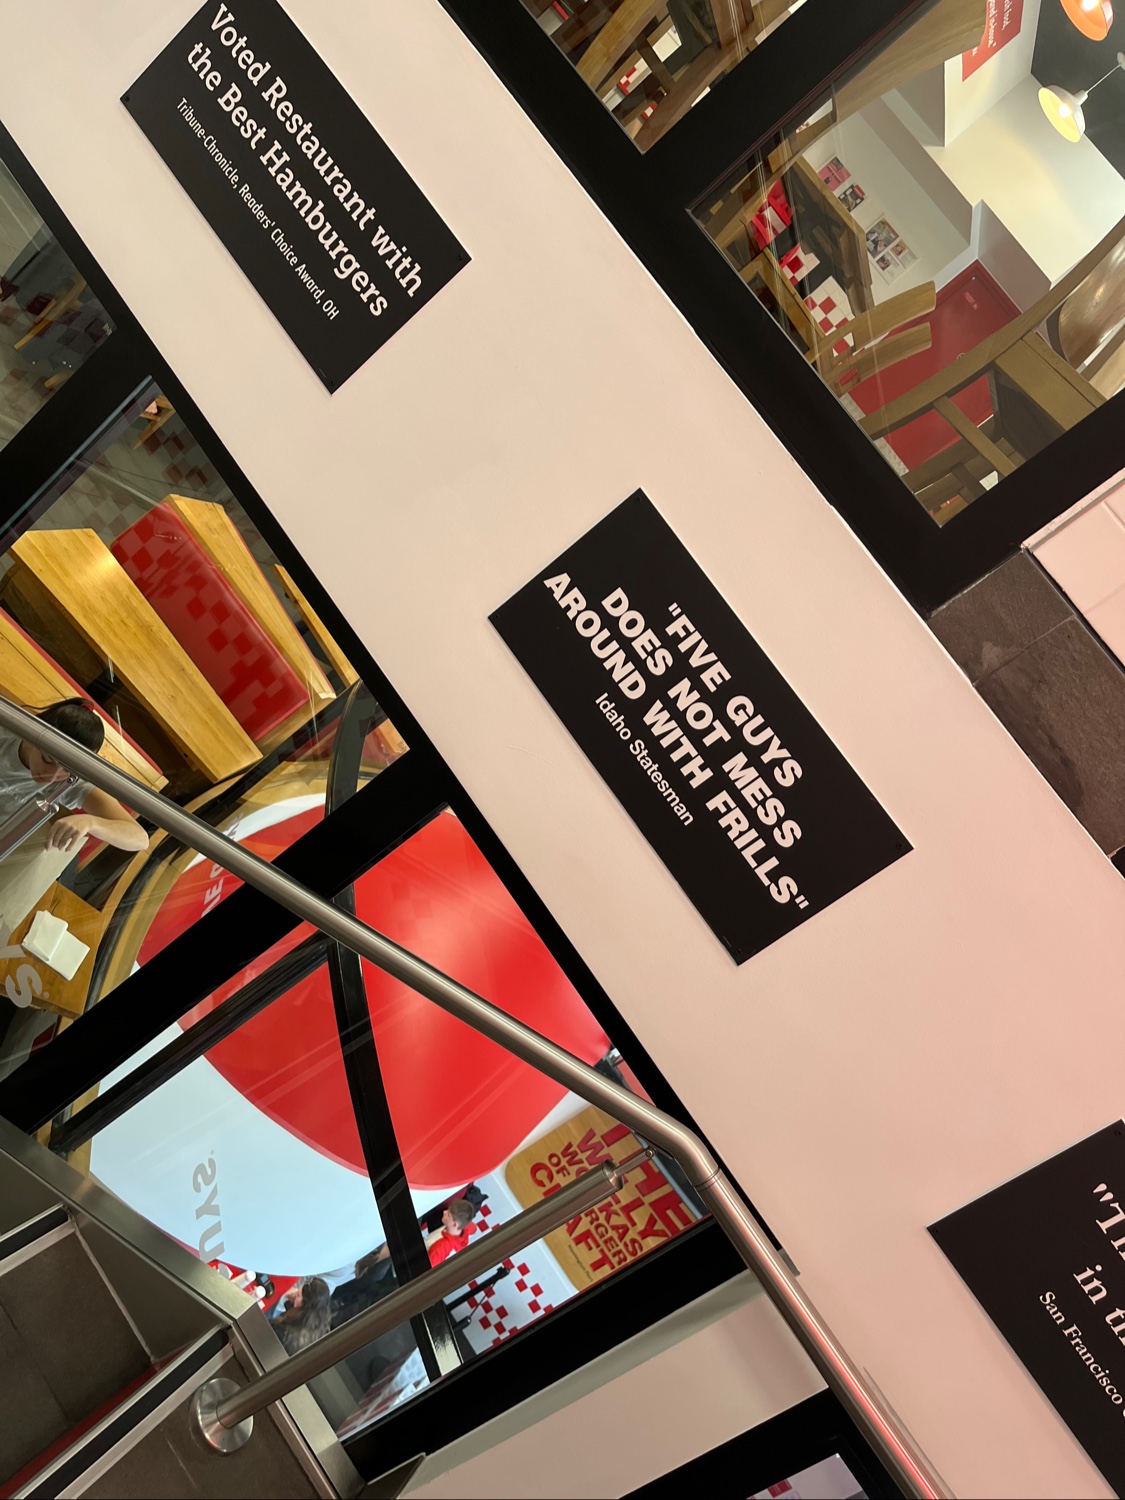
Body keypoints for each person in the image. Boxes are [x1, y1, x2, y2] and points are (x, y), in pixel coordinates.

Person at [0, 699, 149, 938]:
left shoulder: (71, 785)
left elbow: (139, 838)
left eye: (67, 770)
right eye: (48, 759)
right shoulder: (8, 729)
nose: (52, 776)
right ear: (36, 732)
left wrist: (91, 822)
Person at [328, 1199, 477, 1331]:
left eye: (448, 1214)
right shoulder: (459, 1231)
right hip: (404, 1266)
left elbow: (422, 1274)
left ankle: (341, 1321)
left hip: (404, 1277)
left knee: (372, 1298)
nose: (444, 1212)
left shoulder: (441, 1249)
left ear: (455, 1224)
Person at [269, 1276, 331, 1355]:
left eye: (298, 1295)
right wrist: (292, 1302)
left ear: (304, 1304)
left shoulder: (283, 1331)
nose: (295, 1293)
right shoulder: (319, 1325)